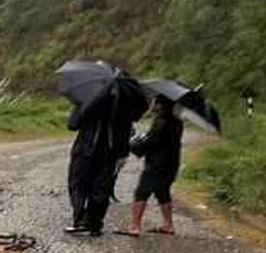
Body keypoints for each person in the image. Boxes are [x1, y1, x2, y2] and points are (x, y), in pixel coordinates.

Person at [65, 84, 134, 237]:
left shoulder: (86, 99)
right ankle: (94, 224)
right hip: (109, 154)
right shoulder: (124, 105)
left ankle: (80, 219)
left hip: (84, 150)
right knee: (101, 188)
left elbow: (72, 125)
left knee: (78, 184)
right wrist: (123, 155)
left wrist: (80, 106)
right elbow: (126, 133)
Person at [119, 96, 184, 237]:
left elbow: (150, 143)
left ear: (161, 105)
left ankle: (134, 227)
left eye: (154, 102)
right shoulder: (177, 121)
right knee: (162, 192)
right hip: (171, 164)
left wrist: (132, 143)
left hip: (157, 165)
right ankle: (168, 225)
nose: (151, 104)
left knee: (141, 192)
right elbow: (157, 140)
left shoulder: (161, 121)